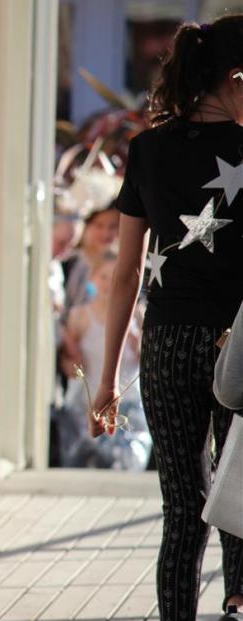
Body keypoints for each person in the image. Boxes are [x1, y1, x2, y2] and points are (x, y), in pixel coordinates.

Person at [94, 16, 243, 621]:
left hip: (166, 345)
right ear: (236, 79)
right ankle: (237, 604)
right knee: (241, 492)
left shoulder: (147, 149)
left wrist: (107, 379)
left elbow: (126, 271)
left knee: (184, 505)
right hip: (241, 344)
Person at [59, 251, 151, 469]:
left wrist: (136, 341)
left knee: (129, 463)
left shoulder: (137, 314)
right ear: (92, 279)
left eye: (115, 278)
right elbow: (68, 360)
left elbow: (143, 358)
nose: (109, 284)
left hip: (128, 399)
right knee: (87, 461)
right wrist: (73, 365)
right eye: (103, 278)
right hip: (88, 399)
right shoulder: (80, 315)